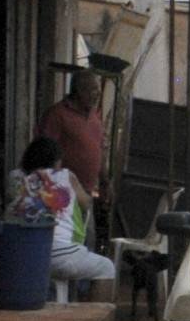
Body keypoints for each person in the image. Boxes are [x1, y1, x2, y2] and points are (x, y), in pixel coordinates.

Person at [19, 137, 118, 303]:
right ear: (56, 161)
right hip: (60, 255)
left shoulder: (19, 178)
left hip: (26, 255)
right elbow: (86, 203)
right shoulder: (66, 175)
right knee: (106, 267)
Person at [36, 66, 107, 201]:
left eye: (98, 91)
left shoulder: (94, 116)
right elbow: (44, 153)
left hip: (86, 192)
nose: (98, 95)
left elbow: (100, 149)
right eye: (94, 90)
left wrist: (104, 181)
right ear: (79, 91)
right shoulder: (57, 114)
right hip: (61, 192)